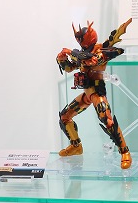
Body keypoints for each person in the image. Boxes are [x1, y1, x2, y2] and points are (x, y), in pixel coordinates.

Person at [56, 19, 133, 169]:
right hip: (86, 94)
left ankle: (125, 152)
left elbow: (90, 61)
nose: (79, 42)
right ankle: (76, 146)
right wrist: (62, 59)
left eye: (81, 38)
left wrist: (71, 52)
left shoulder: (100, 51)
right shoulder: (82, 54)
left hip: (97, 92)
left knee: (107, 120)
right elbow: (69, 68)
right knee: (65, 117)